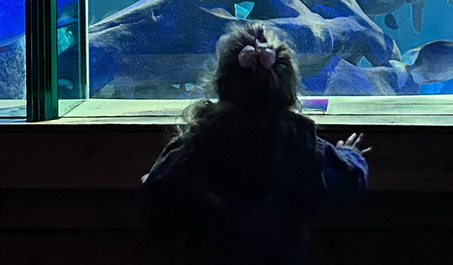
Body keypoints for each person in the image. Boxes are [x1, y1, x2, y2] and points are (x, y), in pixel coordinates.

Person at [140, 21, 371, 264]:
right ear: (288, 87)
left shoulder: (195, 145)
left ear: (220, 84)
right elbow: (350, 179)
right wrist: (350, 154)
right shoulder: (301, 145)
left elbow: (154, 194)